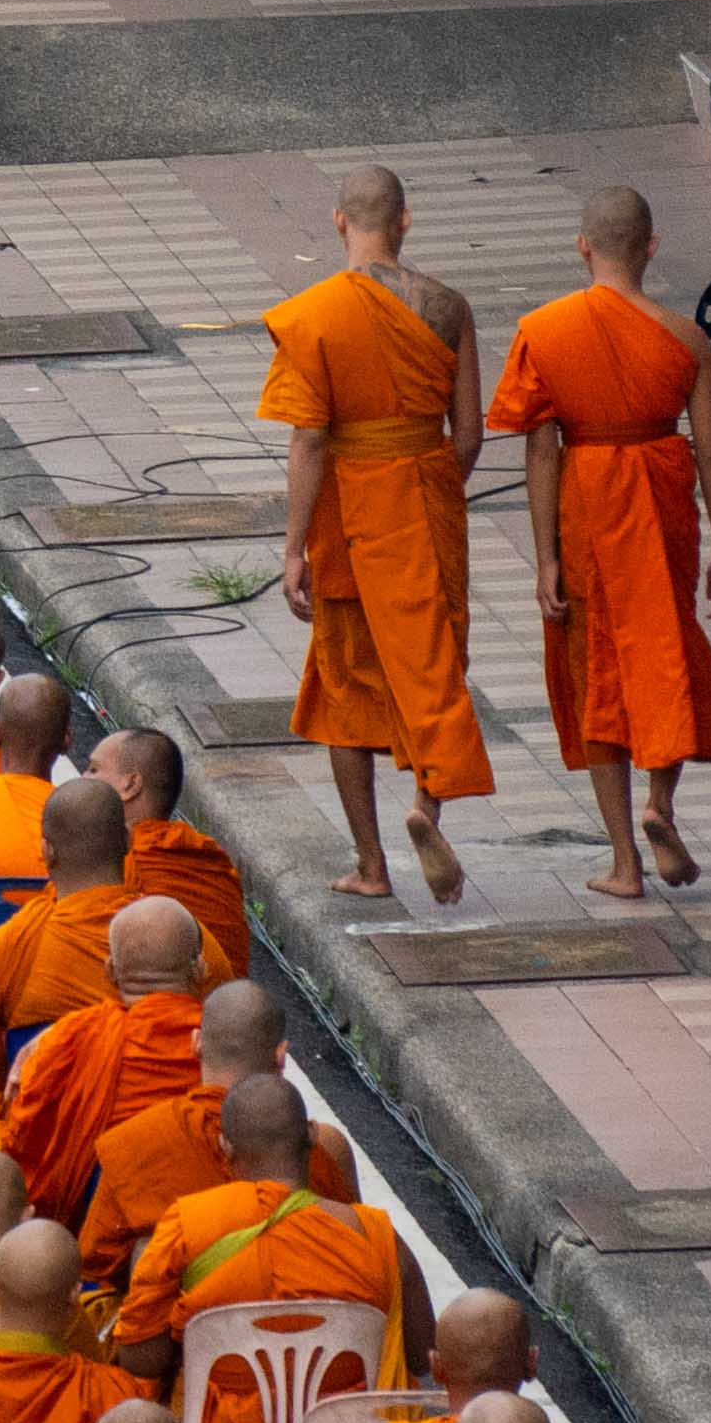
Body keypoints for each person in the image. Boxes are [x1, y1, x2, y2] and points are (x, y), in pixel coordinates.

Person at [489, 187, 711, 901]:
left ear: (582, 247)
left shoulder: (545, 330)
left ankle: (624, 861)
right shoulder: (686, 338)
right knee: (665, 656)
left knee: (597, 674)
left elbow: (539, 454)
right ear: (651, 247)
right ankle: (662, 803)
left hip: (586, 507)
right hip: (661, 502)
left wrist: (547, 559)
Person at [265, 174, 494, 906]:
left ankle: (371, 866)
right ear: (405, 222)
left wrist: (293, 548)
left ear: (339, 222)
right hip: (424, 498)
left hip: (346, 514)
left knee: (343, 687)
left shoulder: (317, 315)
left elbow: (309, 439)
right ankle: (426, 811)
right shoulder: (447, 307)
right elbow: (470, 437)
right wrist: (425, 486)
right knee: (432, 667)